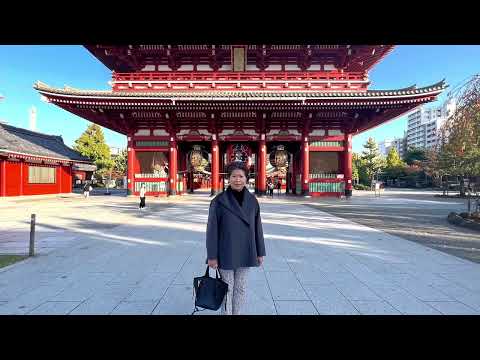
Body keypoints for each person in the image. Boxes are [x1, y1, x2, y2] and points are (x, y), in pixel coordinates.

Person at [206, 161, 266, 315]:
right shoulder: (218, 201)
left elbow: (257, 227)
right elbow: (211, 230)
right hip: (226, 251)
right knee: (227, 287)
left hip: (247, 250)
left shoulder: (253, 201)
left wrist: (260, 252)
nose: (237, 180)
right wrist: (212, 256)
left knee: (241, 288)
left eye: (241, 176)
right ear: (228, 178)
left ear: (247, 178)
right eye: (234, 176)